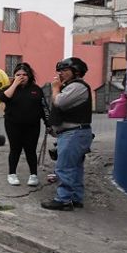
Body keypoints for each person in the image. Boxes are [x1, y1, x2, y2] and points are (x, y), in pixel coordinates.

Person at [42, 57, 93, 211]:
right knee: (75, 168)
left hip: (74, 133)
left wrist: (55, 88)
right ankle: (75, 198)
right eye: (60, 71)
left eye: (65, 70)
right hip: (73, 133)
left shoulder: (77, 86)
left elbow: (59, 102)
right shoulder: (71, 86)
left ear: (76, 71)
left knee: (64, 168)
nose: (61, 74)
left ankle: (63, 200)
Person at [0, 62, 48, 186]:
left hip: (32, 125)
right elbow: (4, 98)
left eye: (25, 74)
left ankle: (33, 175)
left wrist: (48, 123)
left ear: (30, 76)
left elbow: (43, 108)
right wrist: (14, 84)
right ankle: (12, 174)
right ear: (14, 76)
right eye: (18, 74)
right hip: (13, 124)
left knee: (30, 150)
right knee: (15, 149)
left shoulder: (36, 90)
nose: (22, 77)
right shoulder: (9, 88)